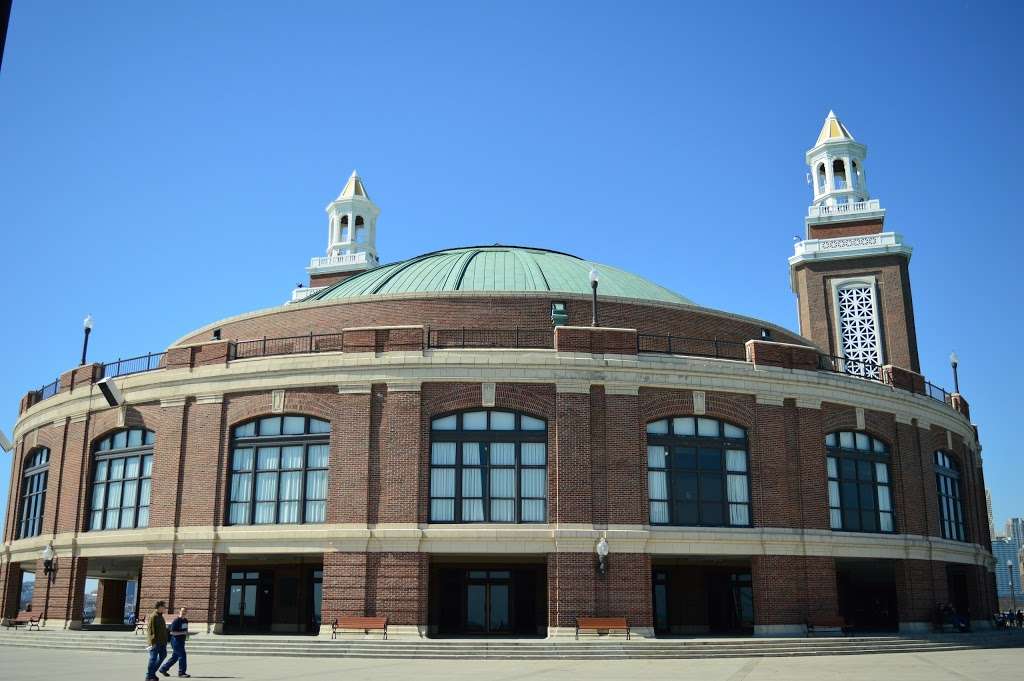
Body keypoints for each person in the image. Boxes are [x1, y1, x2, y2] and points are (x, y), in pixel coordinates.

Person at [159, 607, 191, 678]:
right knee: (182, 656)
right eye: (182, 611)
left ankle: (163, 669)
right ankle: (181, 673)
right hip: (175, 641)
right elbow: (172, 632)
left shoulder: (185, 620)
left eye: (185, 611)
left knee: (175, 657)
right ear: (179, 611)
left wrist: (186, 635)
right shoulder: (176, 621)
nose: (184, 612)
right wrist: (183, 633)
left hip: (181, 641)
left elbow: (185, 631)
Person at [145, 601, 169, 681]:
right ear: (159, 607)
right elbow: (150, 630)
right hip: (155, 642)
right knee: (153, 658)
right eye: (164, 607)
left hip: (162, 642)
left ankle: (152, 673)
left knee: (163, 655)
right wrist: (152, 643)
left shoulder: (160, 616)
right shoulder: (153, 616)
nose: (165, 608)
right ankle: (149, 676)